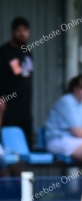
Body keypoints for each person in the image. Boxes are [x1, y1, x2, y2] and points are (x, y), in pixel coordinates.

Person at [0, 17, 34, 145]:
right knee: (10, 145)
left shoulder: (27, 52)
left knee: (27, 145)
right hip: (8, 109)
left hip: (25, 109)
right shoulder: (4, 52)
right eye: (19, 30)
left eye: (25, 30)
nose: (22, 34)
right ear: (12, 32)